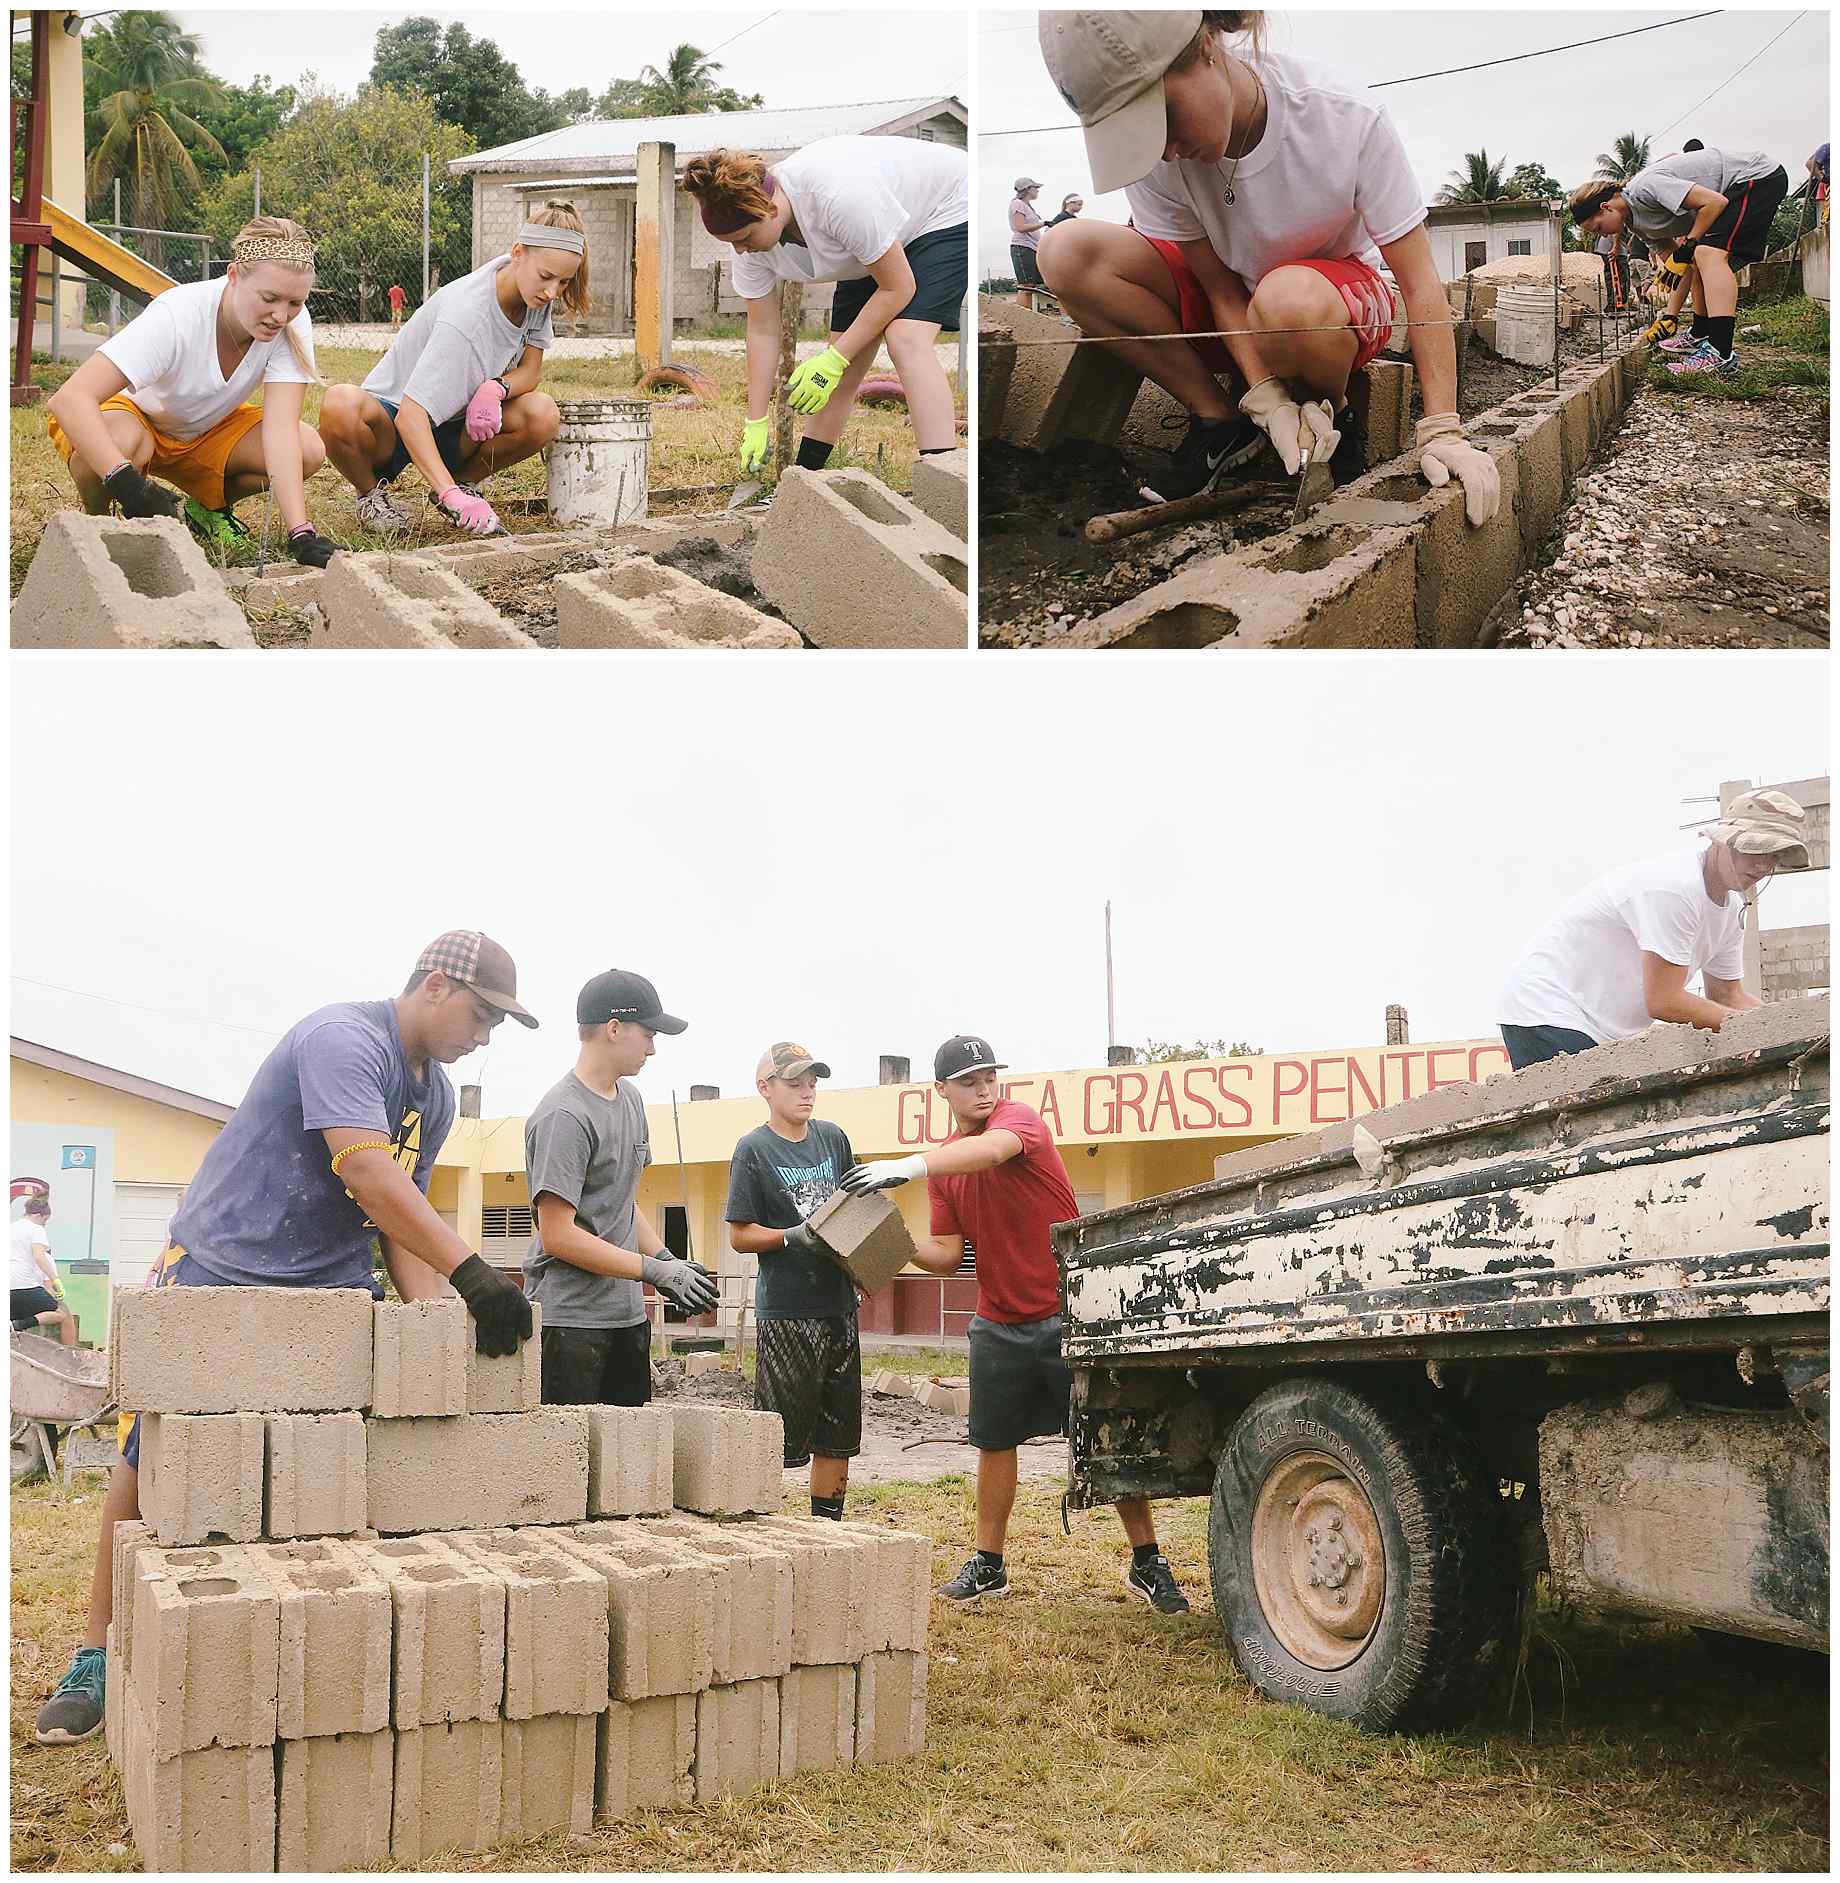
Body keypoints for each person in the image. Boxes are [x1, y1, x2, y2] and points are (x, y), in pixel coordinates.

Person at [31, 930, 540, 1746]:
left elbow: (396, 1216)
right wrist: (477, 1270)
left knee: (328, 1464)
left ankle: (290, 1651)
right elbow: (366, 1170)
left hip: (329, 1281)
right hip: (226, 1260)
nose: (483, 1037)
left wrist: (436, 1319)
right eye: (482, 1015)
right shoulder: (344, 1039)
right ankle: (94, 1651)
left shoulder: (435, 1096)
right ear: (436, 984)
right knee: (147, 1453)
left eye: (496, 1026)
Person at [1035, 9, 1499, 525]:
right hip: (1239, 309)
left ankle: (1333, 413)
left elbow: (1420, 283)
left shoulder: (1342, 116)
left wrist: (1442, 427)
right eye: (1138, 136)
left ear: (1207, 48)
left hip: (1327, 308)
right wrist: (1265, 396)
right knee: (1065, 251)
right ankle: (1220, 421)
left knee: (1287, 298)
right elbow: (1220, 288)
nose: (1164, 150)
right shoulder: (1161, 159)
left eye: (1162, 116)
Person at [842, 1035, 1190, 1615]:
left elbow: (992, 1151)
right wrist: (886, 1241)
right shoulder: (944, 1171)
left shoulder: (1017, 1121)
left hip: (1066, 1314)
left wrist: (906, 1165)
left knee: (1106, 1437)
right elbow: (948, 1254)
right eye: (969, 1081)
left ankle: (1146, 1560)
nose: (983, 1089)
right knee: (994, 1443)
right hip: (997, 1321)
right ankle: (989, 1564)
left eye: (989, 1078)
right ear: (943, 1090)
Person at [45, 215, 337, 568]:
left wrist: (301, 532)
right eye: (270, 298)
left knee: (308, 448)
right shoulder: (178, 313)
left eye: (295, 303)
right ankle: (95, 524)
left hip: (204, 431)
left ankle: (205, 507)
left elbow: (280, 430)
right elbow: (70, 399)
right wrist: (129, 486)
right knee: (119, 439)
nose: (281, 315)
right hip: (136, 420)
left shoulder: (291, 322)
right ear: (233, 275)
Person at [683, 140, 968, 484]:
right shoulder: (749, 248)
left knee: (906, 339)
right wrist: (755, 420)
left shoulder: (838, 199)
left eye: (744, 237)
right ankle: (802, 486)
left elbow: (899, 288)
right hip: (869, 241)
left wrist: (832, 360)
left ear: (770, 210)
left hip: (945, 207)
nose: (740, 250)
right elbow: (762, 331)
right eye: (730, 242)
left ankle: (944, 489)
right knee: (844, 361)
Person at [318, 202, 586, 538]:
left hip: (455, 423)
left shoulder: (532, 297)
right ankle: (372, 496)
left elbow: (531, 373)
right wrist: (449, 494)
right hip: (396, 422)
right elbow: (411, 416)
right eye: (547, 277)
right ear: (518, 253)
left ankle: (462, 483)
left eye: (563, 282)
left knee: (542, 413)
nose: (552, 292)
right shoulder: (466, 316)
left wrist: (496, 389)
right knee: (339, 403)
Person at [1497, 791, 1807, 1072]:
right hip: (1548, 1008)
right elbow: (1664, 1001)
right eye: (1755, 850)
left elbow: (1727, 995)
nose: (1762, 865)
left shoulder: (1729, 911)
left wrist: (1793, 1025)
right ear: (1722, 841)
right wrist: (1765, 1030)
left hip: (1604, 1031)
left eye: (1774, 855)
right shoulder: (1676, 888)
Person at [525, 970, 719, 1411]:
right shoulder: (564, 1116)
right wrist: (652, 1271)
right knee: (568, 1466)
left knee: (626, 1462)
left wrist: (668, 1261)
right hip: (570, 1325)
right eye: (648, 1034)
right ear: (614, 1029)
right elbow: (557, 1234)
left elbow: (622, 1202)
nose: (653, 1047)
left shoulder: (630, 1100)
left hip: (627, 1318)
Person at [725, 1043, 860, 1520]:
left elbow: (855, 1212)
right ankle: (762, 1524)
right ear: (765, 1088)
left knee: (837, 1430)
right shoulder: (754, 1149)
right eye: (794, 1083)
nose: (807, 1092)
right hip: (787, 1312)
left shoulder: (833, 1139)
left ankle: (828, 1527)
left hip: (839, 1305)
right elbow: (741, 1235)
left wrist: (864, 1264)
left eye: (812, 1082)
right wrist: (793, 1237)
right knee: (778, 1433)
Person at [1570, 146, 1789, 377]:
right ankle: (1701, 333)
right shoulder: (1639, 226)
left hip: (1755, 176)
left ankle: (1720, 351)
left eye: (1598, 228)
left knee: (1708, 253)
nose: (1603, 235)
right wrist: (1669, 317)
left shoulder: (1645, 187)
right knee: (1696, 259)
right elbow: (1682, 271)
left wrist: (1688, 246)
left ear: (1605, 208)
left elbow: (1714, 203)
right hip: (1736, 190)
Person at [10, 1196, 75, 1347]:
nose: (44, 1225)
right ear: (39, 1215)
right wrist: (56, 1280)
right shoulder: (36, 1229)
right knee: (62, 1313)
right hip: (24, 1285)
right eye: (45, 1221)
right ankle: (70, 1352)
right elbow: (39, 1256)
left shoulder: (9, 1228)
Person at [1009, 176, 1047, 307]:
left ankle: (1028, 316)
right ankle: (1022, 319)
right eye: (1035, 187)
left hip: (1032, 247)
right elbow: (1020, 227)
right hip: (1022, 246)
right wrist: (1043, 224)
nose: (1037, 190)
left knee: (1031, 285)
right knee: (1026, 286)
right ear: (1026, 189)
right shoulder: (1017, 204)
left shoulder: (1027, 206)